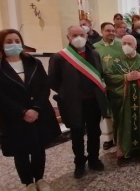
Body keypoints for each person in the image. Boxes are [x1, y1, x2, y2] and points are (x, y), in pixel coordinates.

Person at [0, 29, 61, 191]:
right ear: (1, 45)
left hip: (38, 112)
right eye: (9, 41)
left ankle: (40, 179)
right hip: (14, 116)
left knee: (39, 148)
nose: (14, 44)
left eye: (17, 41)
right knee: (21, 150)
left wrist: (35, 108)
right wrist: (22, 112)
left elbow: (44, 88)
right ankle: (28, 183)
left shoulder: (34, 63)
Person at [48, 26, 108, 179]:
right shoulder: (59, 57)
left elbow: (99, 74)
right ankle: (79, 162)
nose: (78, 37)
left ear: (87, 36)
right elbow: (54, 81)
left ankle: (94, 159)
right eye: (75, 35)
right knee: (77, 133)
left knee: (95, 131)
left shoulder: (94, 54)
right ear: (68, 37)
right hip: (73, 103)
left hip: (93, 101)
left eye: (81, 34)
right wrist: (68, 93)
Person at [104, 35, 140, 160]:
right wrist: (125, 78)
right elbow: (108, 77)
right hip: (123, 101)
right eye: (124, 43)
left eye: (129, 43)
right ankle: (124, 149)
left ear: (135, 46)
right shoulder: (114, 61)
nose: (126, 46)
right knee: (124, 122)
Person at [93, 22, 122, 151]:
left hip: (118, 82)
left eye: (112, 31)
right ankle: (108, 139)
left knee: (118, 111)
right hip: (102, 83)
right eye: (107, 31)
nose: (111, 33)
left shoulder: (121, 45)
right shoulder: (94, 47)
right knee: (106, 112)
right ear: (101, 32)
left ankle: (119, 137)